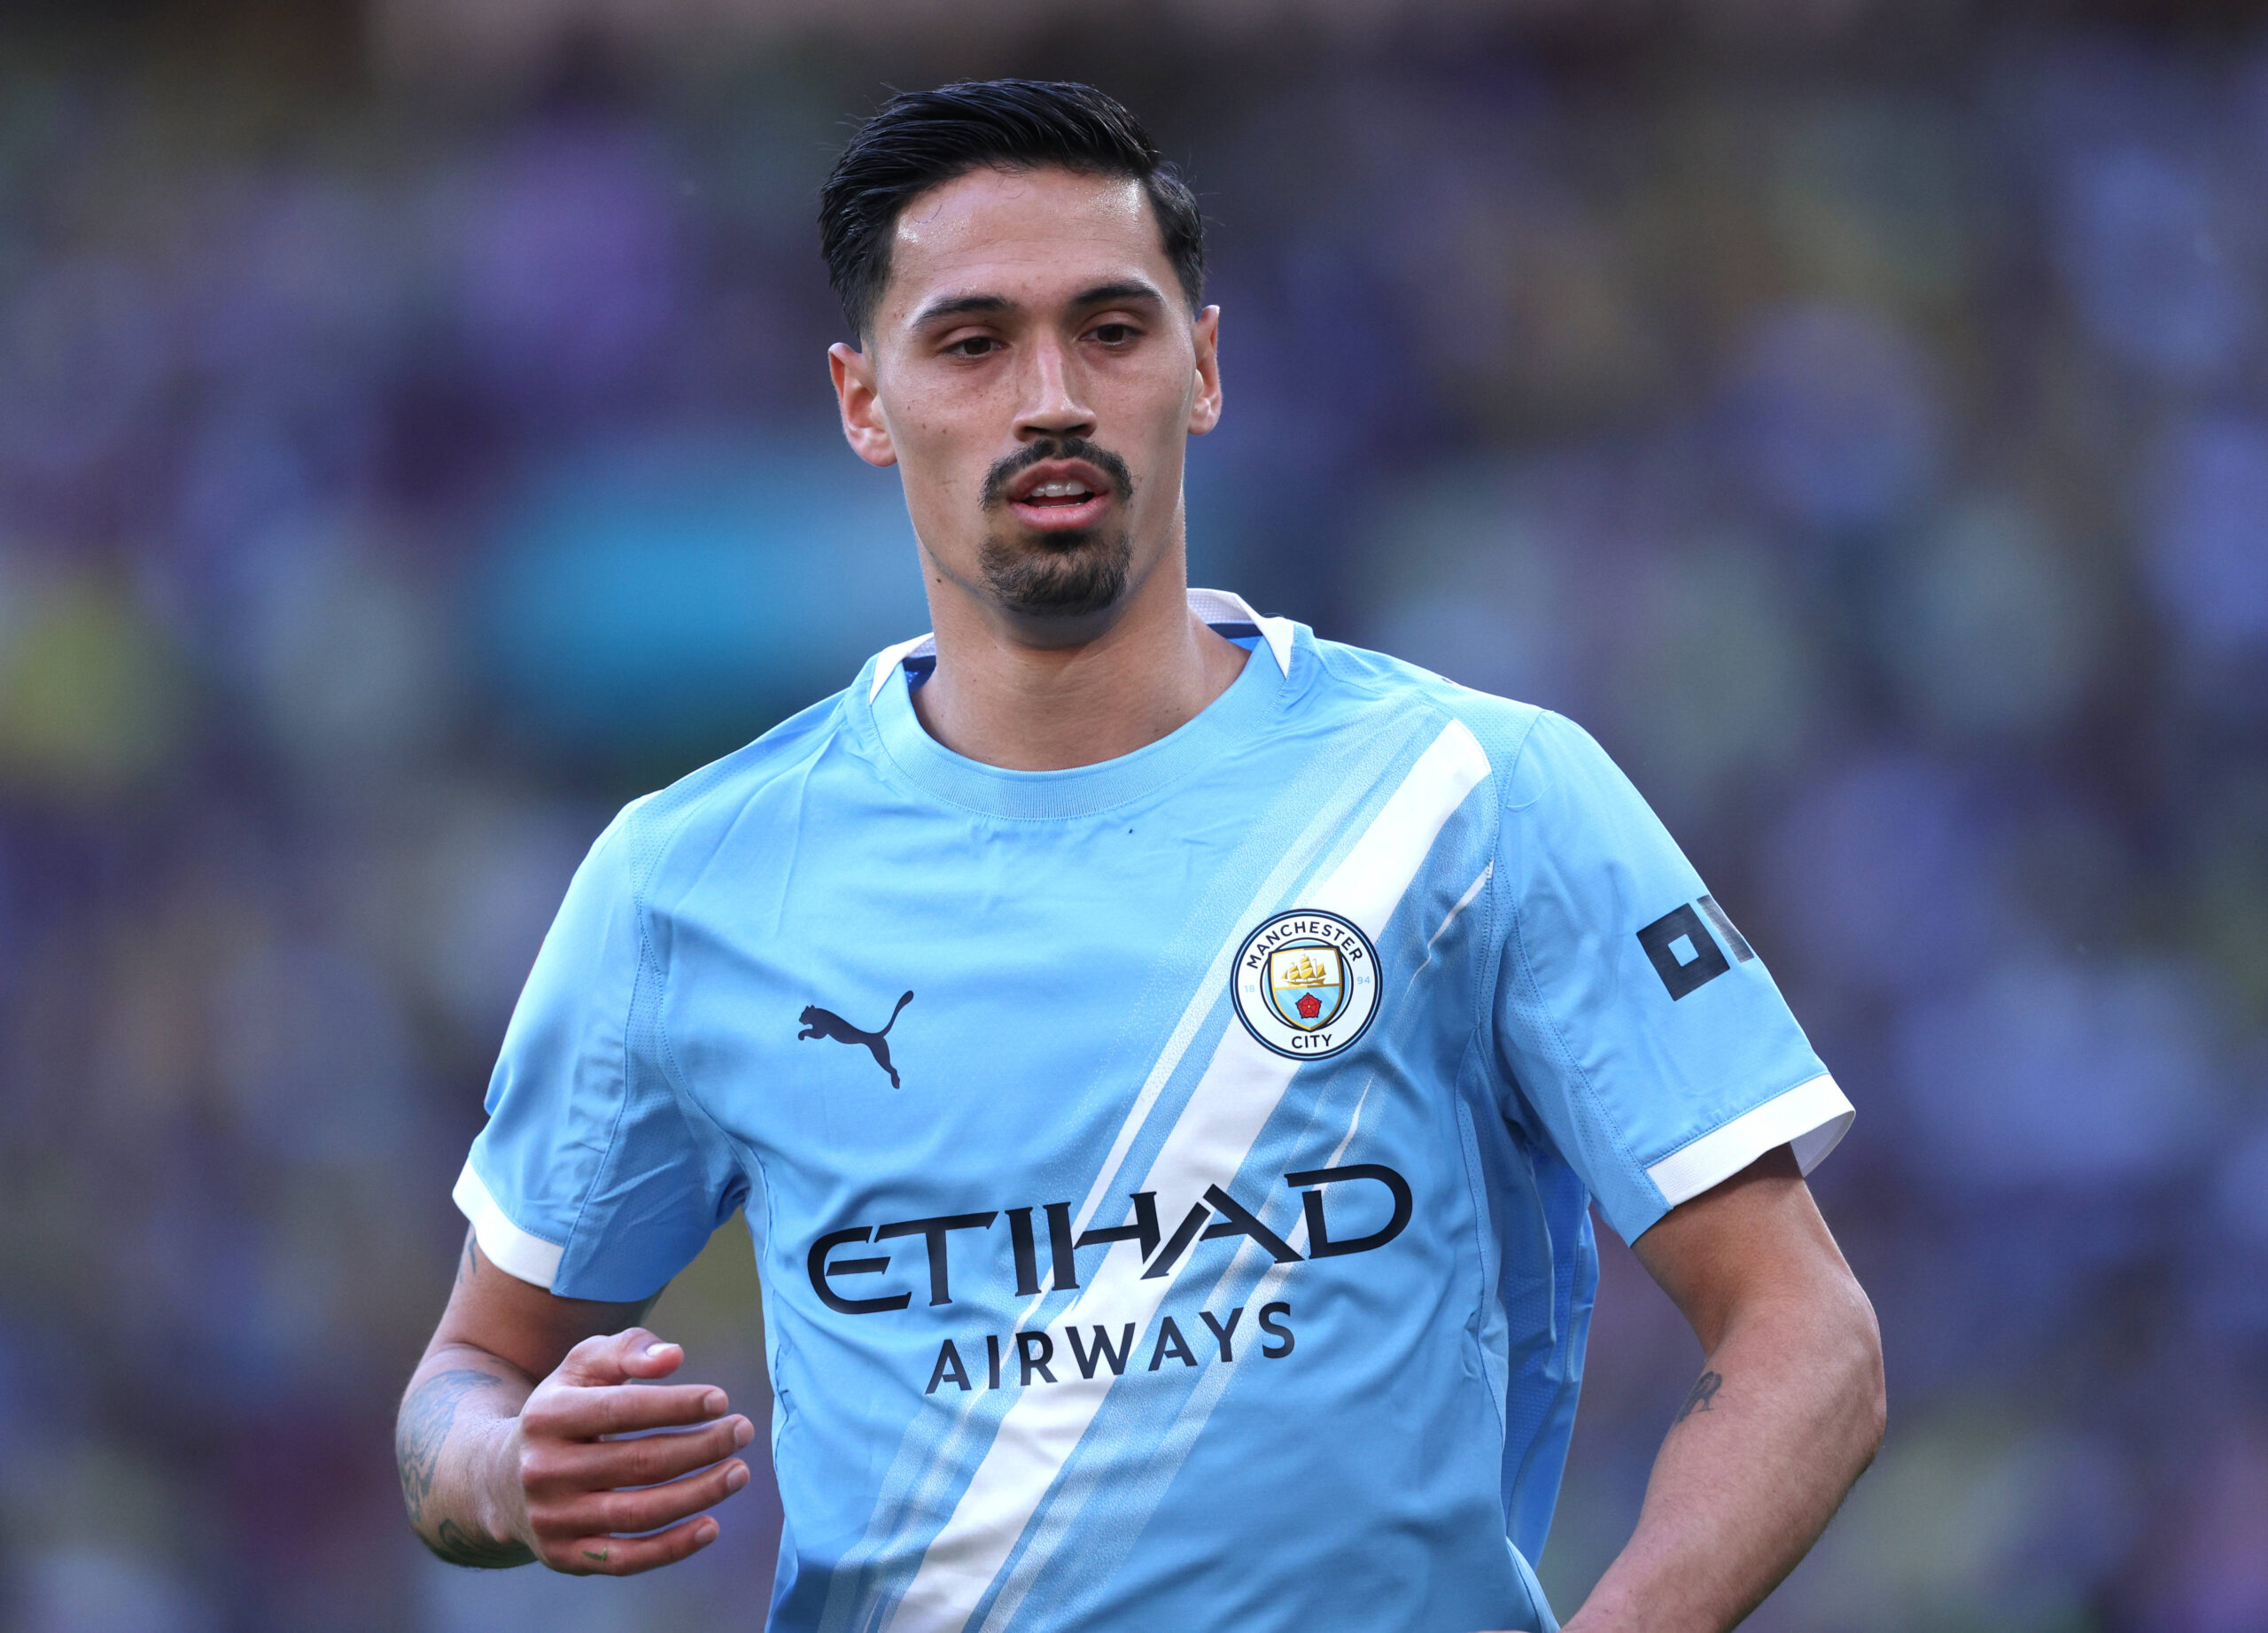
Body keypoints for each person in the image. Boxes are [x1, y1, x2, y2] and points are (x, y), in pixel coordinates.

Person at [395, 78, 1884, 1633]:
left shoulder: (1469, 796)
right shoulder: (683, 883)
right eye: (971, 342)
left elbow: (1806, 1340)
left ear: (1205, 367)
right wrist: (507, 1472)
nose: (1051, 394)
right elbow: (463, 1383)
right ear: (862, 398)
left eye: (1111, 329)